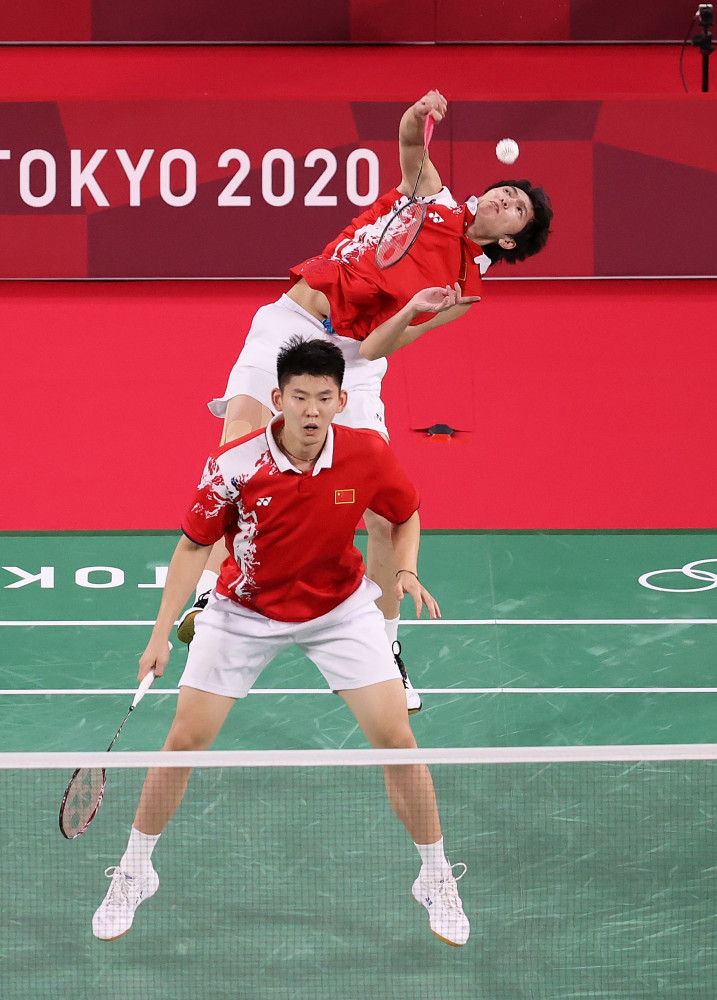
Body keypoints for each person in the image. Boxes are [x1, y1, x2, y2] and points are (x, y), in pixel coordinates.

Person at [180, 88, 554, 713]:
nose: (505, 199)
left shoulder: (463, 289)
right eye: (506, 191)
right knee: (236, 459)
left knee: (384, 512)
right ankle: (207, 595)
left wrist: (411, 311)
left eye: (516, 210)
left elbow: (381, 346)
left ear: (512, 241)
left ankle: (383, 648)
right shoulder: (429, 193)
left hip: (357, 358)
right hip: (290, 323)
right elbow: (411, 137)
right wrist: (422, 111)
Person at [92, 337, 470, 948]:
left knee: (398, 740)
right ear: (279, 399)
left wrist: (404, 570)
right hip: (244, 609)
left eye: (325, 398)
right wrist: (159, 636)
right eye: (301, 397)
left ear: (342, 400)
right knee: (182, 741)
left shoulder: (366, 454)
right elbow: (192, 547)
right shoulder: (234, 466)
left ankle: (434, 876)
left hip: (338, 608)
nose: (313, 409)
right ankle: (136, 869)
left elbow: (405, 514)